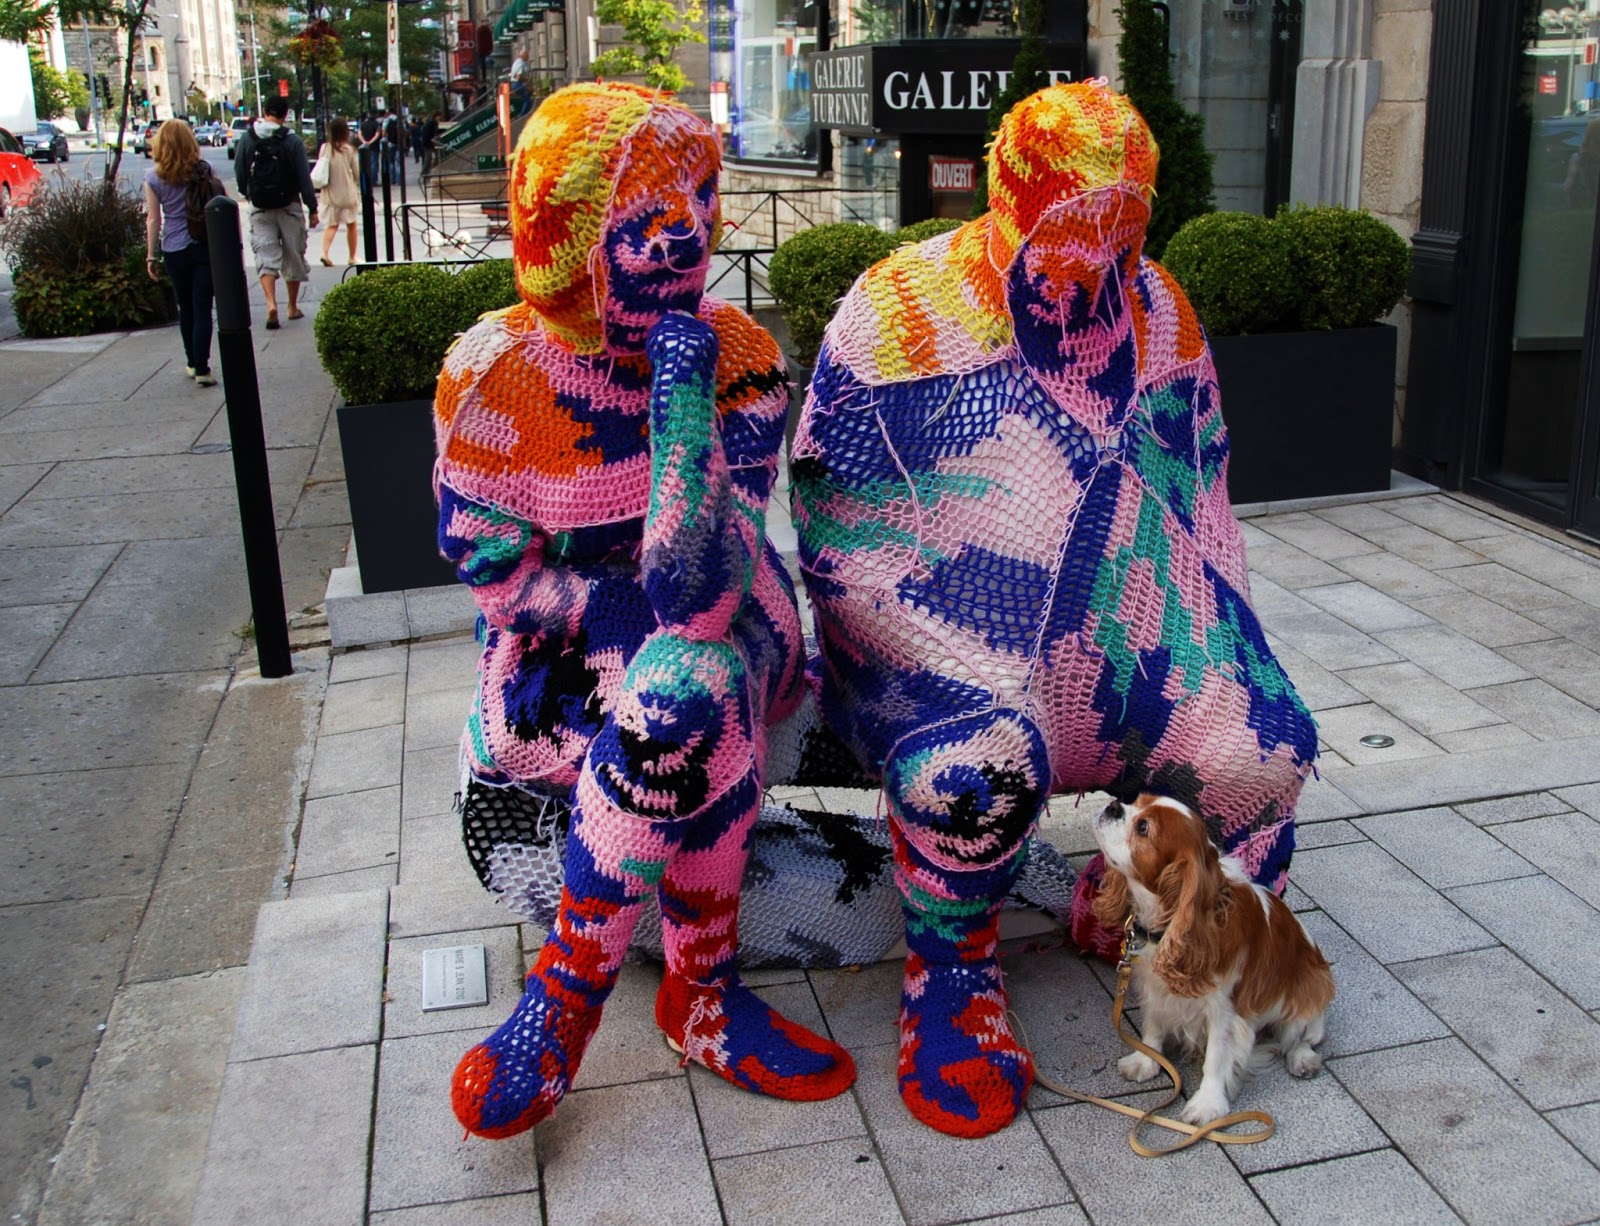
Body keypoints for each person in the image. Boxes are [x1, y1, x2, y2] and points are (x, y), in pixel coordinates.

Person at [440, 82, 854, 1140]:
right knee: (686, 692)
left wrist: (680, 398)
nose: (689, 237)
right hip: (559, 642)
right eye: (647, 217)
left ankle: (563, 994)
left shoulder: (742, 359)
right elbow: (499, 579)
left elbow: (704, 587)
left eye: (701, 201)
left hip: (727, 615)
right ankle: (699, 994)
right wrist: (627, 618)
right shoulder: (489, 375)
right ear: (566, 231)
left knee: (690, 677)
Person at [143, 119, 218, 386]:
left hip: (174, 248)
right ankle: (202, 367)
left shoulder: (153, 178)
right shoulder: (204, 171)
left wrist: (151, 255)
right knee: (202, 307)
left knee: (185, 307)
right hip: (203, 245)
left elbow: (154, 219)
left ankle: (191, 361)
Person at [235, 93, 318, 329]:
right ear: (285, 115)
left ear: (265, 112)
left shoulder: (248, 138)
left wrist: (249, 193)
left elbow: (240, 171)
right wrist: (312, 207)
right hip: (289, 205)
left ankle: (272, 304)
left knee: (265, 255)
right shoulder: (292, 140)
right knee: (293, 255)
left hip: (260, 206)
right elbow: (304, 177)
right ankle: (292, 306)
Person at [316, 118, 361, 267]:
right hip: (347, 194)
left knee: (332, 225)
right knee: (351, 225)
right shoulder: (350, 150)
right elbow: (357, 173)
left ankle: (324, 252)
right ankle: (352, 256)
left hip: (330, 194)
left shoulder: (325, 148)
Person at [357, 109, 381, 196]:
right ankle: (373, 181)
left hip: (363, 147)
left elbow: (359, 133)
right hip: (374, 147)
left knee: (364, 164)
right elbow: (377, 134)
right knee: (374, 164)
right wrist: (371, 142)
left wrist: (364, 142)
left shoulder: (363, 124)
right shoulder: (376, 124)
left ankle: (366, 180)